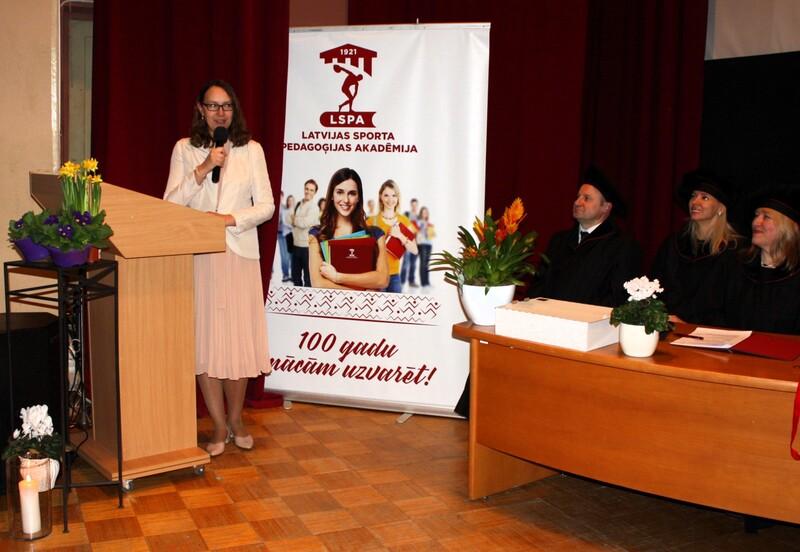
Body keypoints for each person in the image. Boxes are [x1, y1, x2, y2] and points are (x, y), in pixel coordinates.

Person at [164, 79, 273, 456]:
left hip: (239, 254)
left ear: (234, 109)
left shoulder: (251, 150)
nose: (220, 112)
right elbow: (170, 203)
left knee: (237, 343)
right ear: (200, 109)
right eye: (212, 106)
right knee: (206, 342)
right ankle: (218, 424)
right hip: (200, 256)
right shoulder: (185, 149)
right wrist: (205, 165)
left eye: (226, 105)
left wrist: (229, 219)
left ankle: (238, 419)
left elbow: (266, 206)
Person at [528, 166, 641, 306]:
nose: (577, 202)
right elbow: (539, 285)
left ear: (605, 207)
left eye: (586, 198)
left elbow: (618, 295)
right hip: (548, 316)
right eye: (578, 197)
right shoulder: (559, 240)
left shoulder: (622, 246)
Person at [650, 170, 742, 323]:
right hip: (667, 324)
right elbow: (655, 286)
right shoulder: (673, 244)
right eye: (693, 196)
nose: (695, 202)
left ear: (721, 208)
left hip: (710, 330)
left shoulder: (733, 251)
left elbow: (732, 303)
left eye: (704, 197)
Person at [717, 190, 800, 334]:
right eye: (756, 215)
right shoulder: (736, 267)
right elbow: (717, 314)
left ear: (787, 227)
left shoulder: (795, 277)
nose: (756, 222)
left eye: (766, 217)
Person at [308, 168, 389, 290]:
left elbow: (382, 280)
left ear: (358, 197)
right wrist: (362, 294)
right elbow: (318, 283)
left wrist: (337, 277)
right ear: (332, 195)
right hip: (334, 303)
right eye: (340, 192)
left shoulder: (376, 234)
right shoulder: (316, 234)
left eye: (352, 193)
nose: (345, 200)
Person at [367, 180, 418, 293]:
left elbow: (415, 250)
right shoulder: (371, 221)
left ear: (398, 197)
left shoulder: (404, 221)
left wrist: (399, 235)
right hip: (376, 276)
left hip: (395, 277)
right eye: (386, 195)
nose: (390, 199)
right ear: (380, 197)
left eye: (394, 195)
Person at [291, 179, 320, 287]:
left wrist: (295, 220)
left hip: (307, 247)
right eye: (307, 189)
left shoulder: (314, 208)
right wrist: (297, 220)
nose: (308, 192)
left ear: (315, 192)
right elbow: (289, 218)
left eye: (311, 190)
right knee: (295, 277)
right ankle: (296, 298)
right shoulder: (299, 204)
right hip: (296, 245)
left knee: (308, 279)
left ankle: (307, 298)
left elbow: (305, 223)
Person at [400, 198, 420, 289]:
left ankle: (411, 281)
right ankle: (401, 282)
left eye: (416, 205)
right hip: (408, 242)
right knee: (406, 262)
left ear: (417, 205)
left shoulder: (420, 217)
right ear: (411, 205)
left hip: (416, 243)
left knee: (413, 263)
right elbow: (401, 226)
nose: (414, 207)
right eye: (413, 205)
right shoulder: (407, 215)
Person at [276, 192, 294, 283]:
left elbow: (287, 221)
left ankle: (289, 274)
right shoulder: (272, 207)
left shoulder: (284, 208)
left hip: (286, 233)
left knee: (288, 255)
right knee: (283, 255)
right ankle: (285, 274)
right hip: (279, 234)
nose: (279, 198)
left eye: (281, 196)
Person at [416, 206, 435, 290]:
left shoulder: (429, 223)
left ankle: (427, 282)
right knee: (423, 263)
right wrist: (423, 227)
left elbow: (432, 235)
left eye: (426, 212)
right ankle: (423, 283)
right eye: (424, 212)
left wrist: (431, 230)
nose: (425, 214)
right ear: (421, 213)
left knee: (427, 264)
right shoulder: (419, 222)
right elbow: (417, 232)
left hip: (429, 244)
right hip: (422, 244)